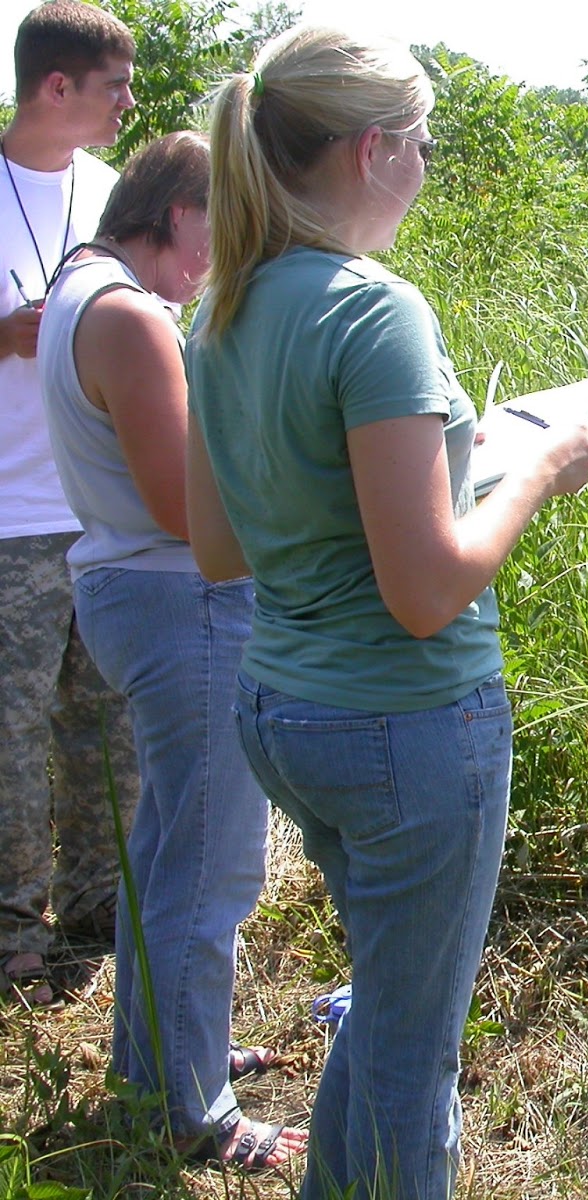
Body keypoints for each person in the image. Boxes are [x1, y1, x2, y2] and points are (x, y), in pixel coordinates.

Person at [185, 25, 588, 1200]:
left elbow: (218, 544)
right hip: (404, 723)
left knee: (385, 998)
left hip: (283, 707)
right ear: (373, 151)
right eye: (421, 142)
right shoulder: (375, 315)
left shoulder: (225, 303)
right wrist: (534, 466)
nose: (425, 163)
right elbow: (423, 592)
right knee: (415, 1051)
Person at [36, 130, 305, 1171]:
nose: (219, 258)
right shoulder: (134, 321)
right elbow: (187, 510)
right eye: (218, 228)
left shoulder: (79, 288)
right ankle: (189, 1111)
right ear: (176, 209)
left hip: (130, 589)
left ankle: (161, 1062)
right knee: (208, 863)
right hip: (179, 600)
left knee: (169, 850)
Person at [1, 0, 140, 1011]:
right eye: (114, 86)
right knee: (10, 737)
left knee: (110, 726)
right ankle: (14, 926)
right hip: (7, 519)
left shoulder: (112, 198)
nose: (129, 103)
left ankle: (102, 910)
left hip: (104, 508)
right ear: (57, 86)